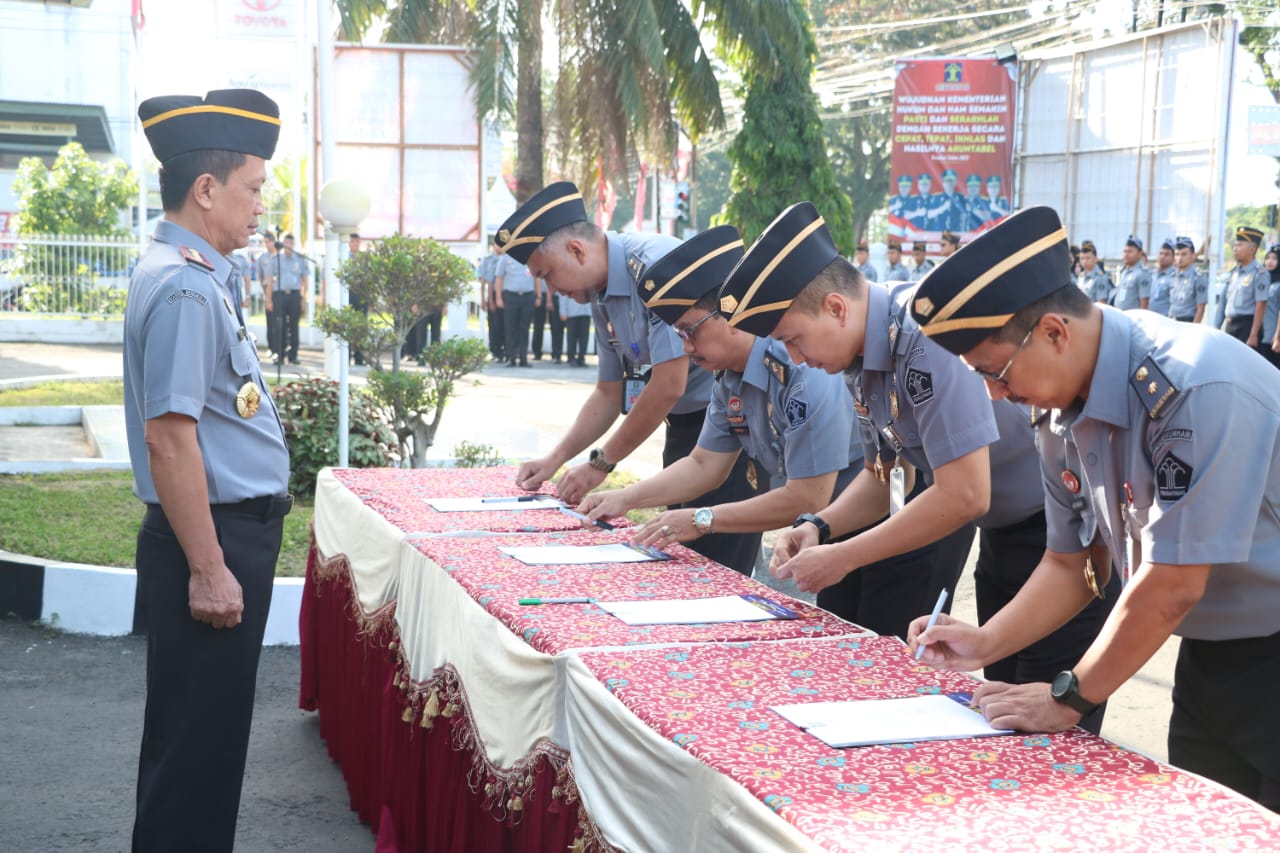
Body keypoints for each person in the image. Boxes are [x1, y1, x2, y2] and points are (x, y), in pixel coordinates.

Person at [907, 205, 1280, 813]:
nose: (993, 394)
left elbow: (1174, 584)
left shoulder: (1191, 386)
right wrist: (983, 641)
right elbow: (1072, 563)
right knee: (1206, 823)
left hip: (1268, 642)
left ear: (1054, 332)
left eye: (996, 373)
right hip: (1215, 654)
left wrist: (1067, 697)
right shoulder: (1058, 412)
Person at [718, 202, 1116, 703]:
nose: (796, 359)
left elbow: (965, 495)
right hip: (1004, 537)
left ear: (836, 308)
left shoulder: (923, 340)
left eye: (794, 340)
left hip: (1059, 538)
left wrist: (842, 556)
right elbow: (880, 474)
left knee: (1039, 718)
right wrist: (818, 527)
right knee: (1000, 705)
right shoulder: (860, 360)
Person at [126, 88, 293, 852]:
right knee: (198, 752)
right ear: (206, 189)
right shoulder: (189, 285)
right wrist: (208, 567)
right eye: (254, 186)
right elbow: (170, 439)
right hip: (214, 539)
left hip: (219, 535)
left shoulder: (185, 268)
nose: (261, 202)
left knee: (199, 744)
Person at [502, 181, 760, 574]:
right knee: (684, 565)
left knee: (716, 568)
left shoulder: (655, 268)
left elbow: (668, 385)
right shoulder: (600, 294)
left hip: (731, 427)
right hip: (687, 432)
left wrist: (602, 465)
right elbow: (609, 391)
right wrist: (555, 459)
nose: (551, 290)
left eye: (549, 275)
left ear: (576, 250)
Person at [1219, 225, 1269, 346]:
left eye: (1240, 245)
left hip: (1247, 326)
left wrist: (1253, 335)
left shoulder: (1259, 273)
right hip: (1231, 325)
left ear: (1252, 249)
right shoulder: (1234, 272)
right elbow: (1224, 302)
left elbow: (1261, 304)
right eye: (1235, 245)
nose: (1235, 249)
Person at [494, 246, 541, 367]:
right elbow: (499, 278)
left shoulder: (529, 257)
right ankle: (511, 358)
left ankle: (524, 358)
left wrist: (539, 295)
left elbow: (537, 277)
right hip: (510, 297)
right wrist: (498, 297)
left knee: (524, 329)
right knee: (510, 328)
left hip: (527, 296)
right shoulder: (505, 258)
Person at [268, 232, 308, 365]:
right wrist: (269, 300)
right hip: (279, 295)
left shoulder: (300, 259)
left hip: (294, 295)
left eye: (291, 243)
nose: (288, 246)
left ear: (294, 244)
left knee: (294, 326)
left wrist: (303, 299)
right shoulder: (276, 259)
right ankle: (279, 354)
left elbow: (304, 281)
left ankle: (293, 355)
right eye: (286, 243)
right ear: (283, 244)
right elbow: (269, 280)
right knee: (280, 325)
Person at [479, 243, 505, 362]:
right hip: (493, 295)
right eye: (497, 244)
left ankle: (506, 351)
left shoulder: (510, 259)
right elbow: (485, 282)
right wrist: (487, 300)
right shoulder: (488, 261)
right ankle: (495, 351)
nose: (499, 247)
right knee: (494, 325)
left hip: (507, 295)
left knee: (506, 325)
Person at [255, 231, 278, 358]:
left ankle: (280, 348)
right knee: (270, 321)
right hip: (268, 292)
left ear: (274, 241)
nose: (267, 245)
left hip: (279, 292)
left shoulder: (280, 257)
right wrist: (266, 294)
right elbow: (261, 277)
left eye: (268, 242)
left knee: (279, 322)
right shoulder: (262, 258)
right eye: (265, 242)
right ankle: (271, 347)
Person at [1112, 235, 1150, 310]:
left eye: (1130, 251)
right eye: (1125, 251)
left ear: (1139, 253)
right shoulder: (1125, 272)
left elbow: (1144, 302)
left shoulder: (1142, 273)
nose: (1126, 254)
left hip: (1133, 317)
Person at [561, 288, 592, 367]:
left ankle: (581, 358)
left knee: (584, 337)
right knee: (572, 337)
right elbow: (563, 294)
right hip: (572, 312)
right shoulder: (570, 278)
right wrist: (563, 311)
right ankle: (571, 358)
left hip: (586, 312)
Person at [1148, 237, 1175, 319]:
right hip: (1148, 318)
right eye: (1161, 253)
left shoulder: (1174, 277)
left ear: (1173, 257)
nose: (1162, 257)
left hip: (1164, 321)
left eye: (1166, 254)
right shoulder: (1151, 274)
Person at [1264, 244, 1280, 369]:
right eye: (1268, 258)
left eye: (1274, 258)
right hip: (1258, 335)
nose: (1270, 261)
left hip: (1272, 338)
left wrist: (1277, 337)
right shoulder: (1261, 280)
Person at [887, 175, 913, 240]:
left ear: (910, 188)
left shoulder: (914, 200)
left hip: (910, 232)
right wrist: (895, 206)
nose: (904, 189)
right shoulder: (893, 200)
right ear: (899, 187)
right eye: (902, 186)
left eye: (906, 186)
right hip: (895, 232)